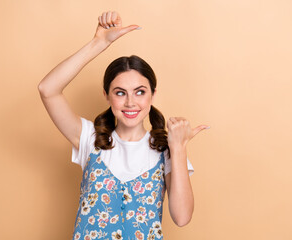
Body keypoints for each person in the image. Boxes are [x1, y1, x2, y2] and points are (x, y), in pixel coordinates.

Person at [38, 11, 210, 240]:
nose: (130, 102)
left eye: (140, 92)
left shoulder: (166, 151)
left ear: (153, 95)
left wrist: (178, 147)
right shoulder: (89, 138)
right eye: (120, 93)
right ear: (107, 96)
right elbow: (47, 89)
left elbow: (182, 217)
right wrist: (98, 44)